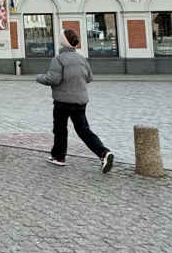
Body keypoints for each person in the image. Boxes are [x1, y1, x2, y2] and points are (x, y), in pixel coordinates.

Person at [36, 28, 115, 172]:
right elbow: (89, 78)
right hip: (80, 101)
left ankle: (59, 157)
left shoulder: (58, 59)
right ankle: (103, 153)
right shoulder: (82, 59)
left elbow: (53, 78)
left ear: (63, 41)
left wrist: (39, 77)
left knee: (60, 129)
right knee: (84, 130)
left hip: (62, 101)